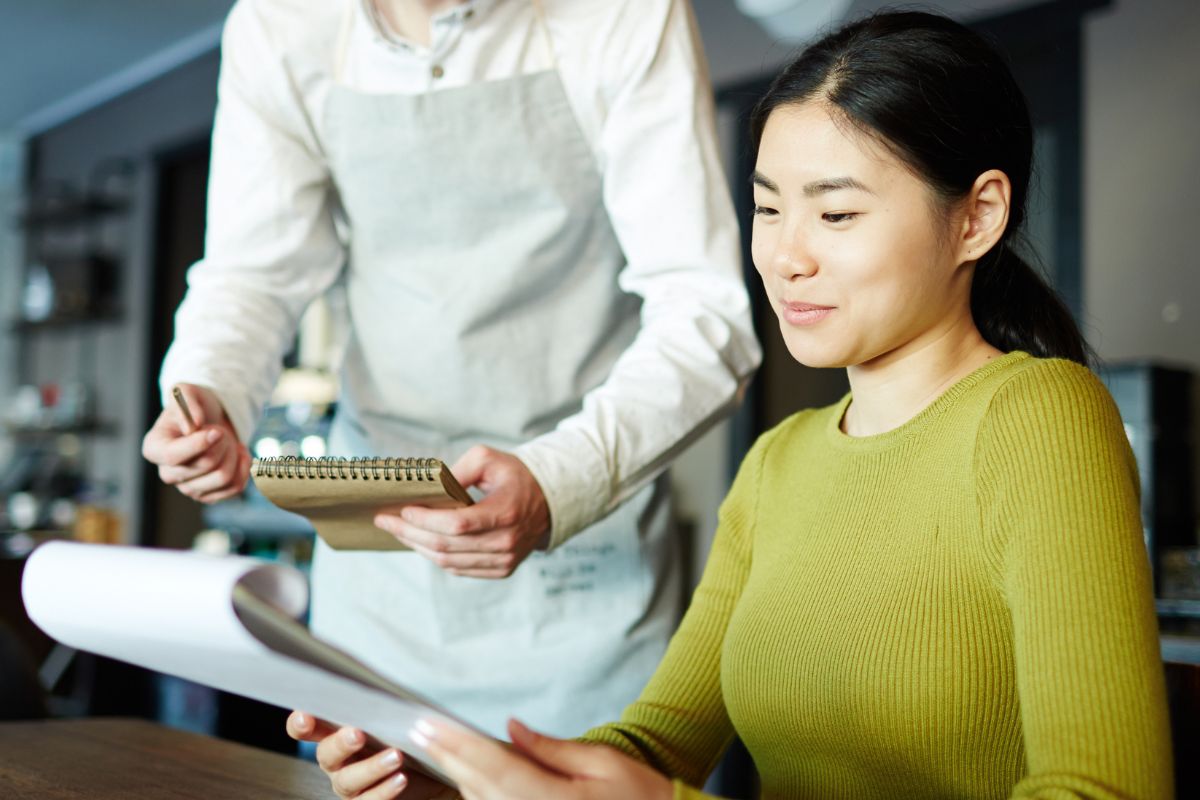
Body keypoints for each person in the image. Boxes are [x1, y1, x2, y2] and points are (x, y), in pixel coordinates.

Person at [289, 10, 1173, 800]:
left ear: (976, 218)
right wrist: (459, 782)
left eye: (835, 216)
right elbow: (654, 744)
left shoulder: (1040, 419)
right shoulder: (779, 462)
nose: (785, 257)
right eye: (765, 208)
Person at [140, 0, 761, 739]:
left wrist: (562, 479)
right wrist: (207, 391)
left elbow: (705, 313)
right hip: (379, 572)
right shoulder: (280, 24)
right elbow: (253, 273)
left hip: (583, 563)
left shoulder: (626, 13)